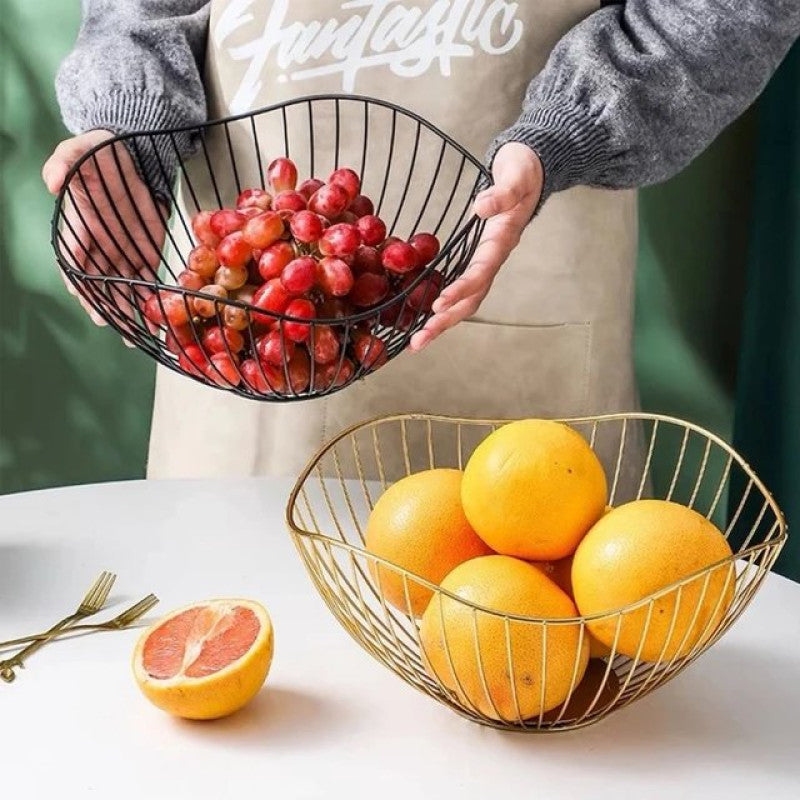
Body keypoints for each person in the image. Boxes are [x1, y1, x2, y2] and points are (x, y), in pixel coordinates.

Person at [44, 1, 799, 482]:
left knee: (515, 669)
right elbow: (139, 10)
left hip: (530, 354)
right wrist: (129, 132)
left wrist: (568, 132)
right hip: (243, 365)